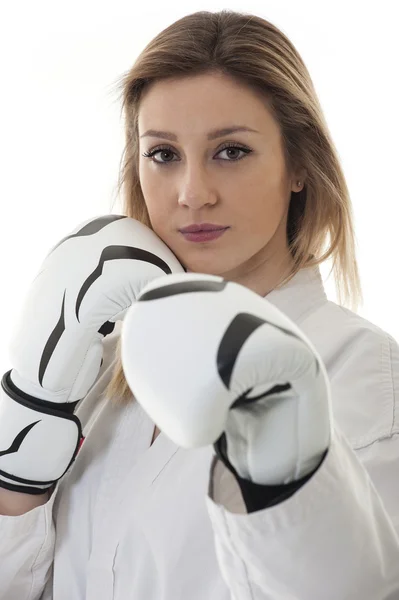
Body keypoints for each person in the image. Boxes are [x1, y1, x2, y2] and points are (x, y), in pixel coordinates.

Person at [0, 9, 398, 599]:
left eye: (230, 151)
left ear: (298, 166)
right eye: (163, 154)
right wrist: (29, 406)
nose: (192, 194)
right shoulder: (101, 363)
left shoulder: (361, 370)